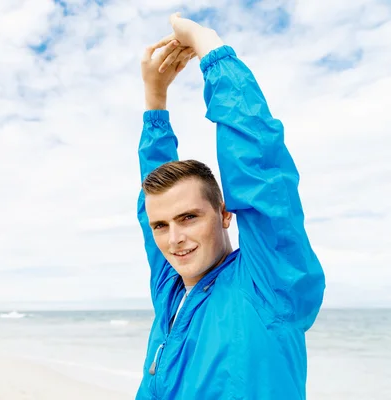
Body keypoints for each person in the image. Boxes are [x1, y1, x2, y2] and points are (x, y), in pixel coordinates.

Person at [135, 13, 326, 399]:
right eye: (161, 226)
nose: (175, 239)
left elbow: (261, 173)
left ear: (225, 214)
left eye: (189, 217)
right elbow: (153, 200)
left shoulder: (268, 284)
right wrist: (155, 100)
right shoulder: (170, 287)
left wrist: (211, 51)